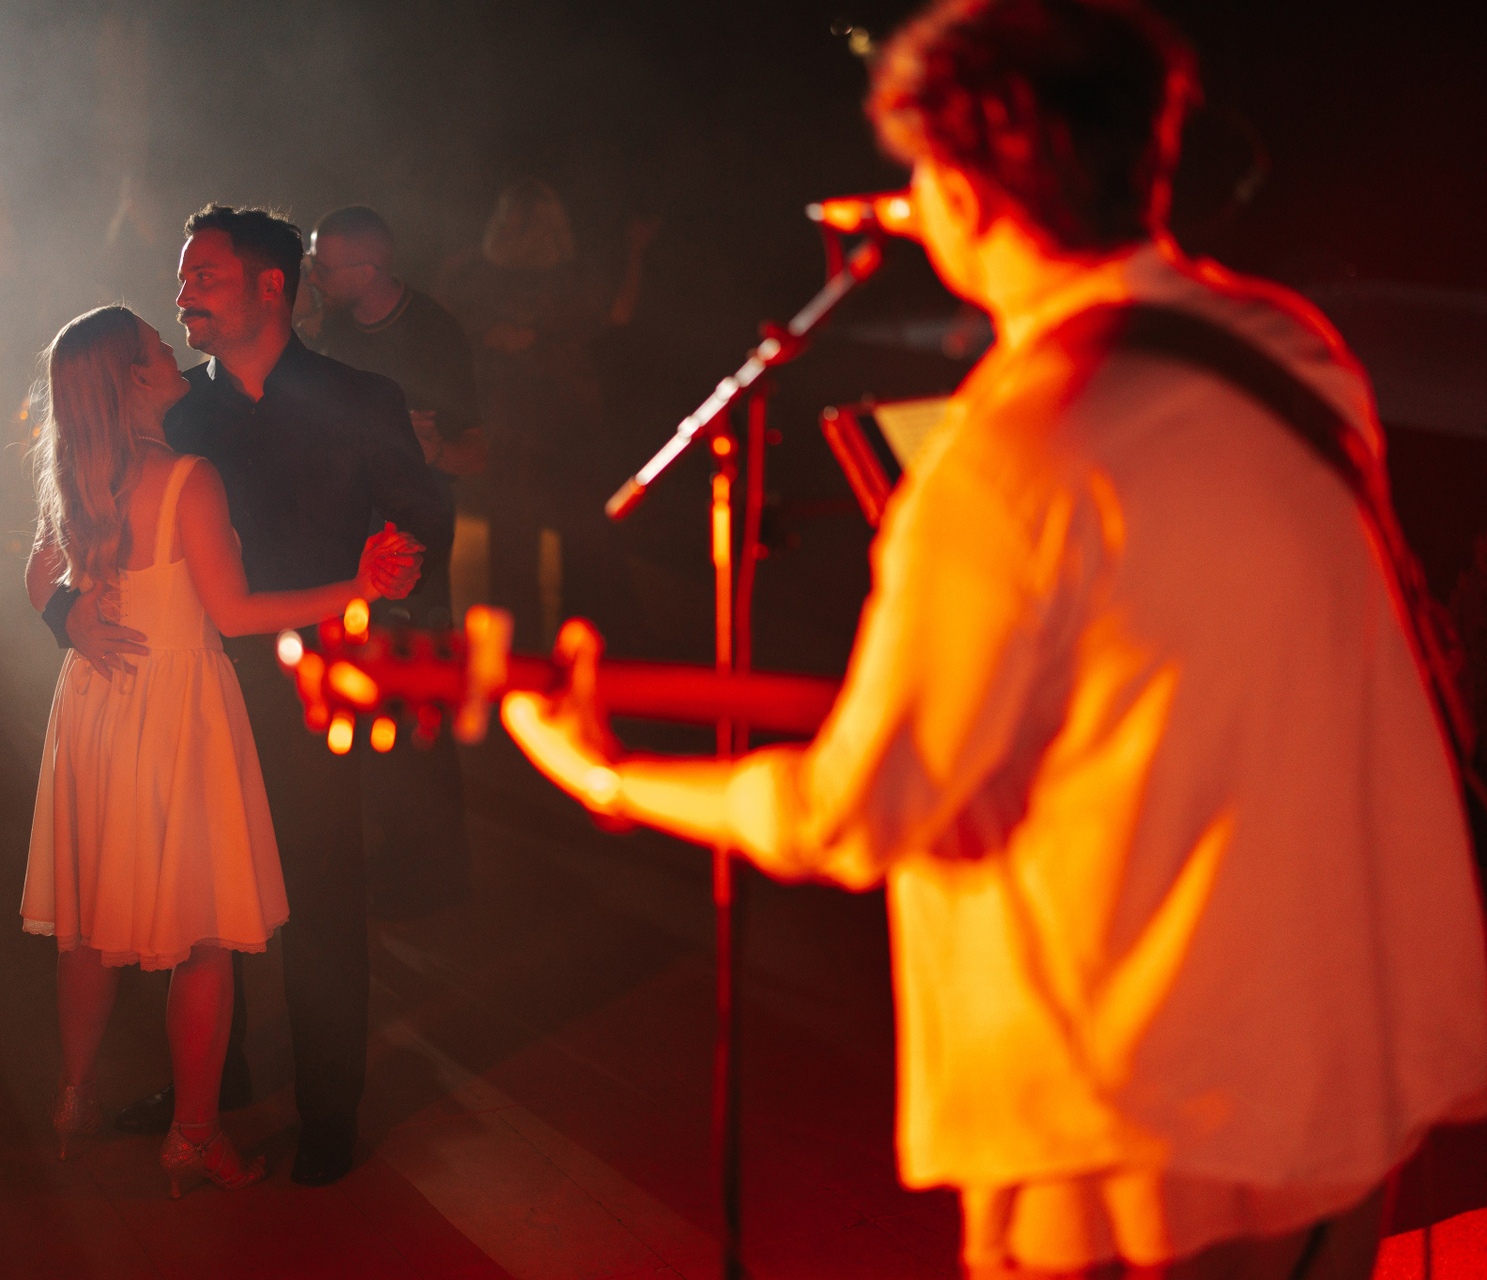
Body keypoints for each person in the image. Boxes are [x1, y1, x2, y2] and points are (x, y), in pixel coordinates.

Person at [501, 1, 1487, 1276]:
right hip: (1342, 1069)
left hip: (1138, 1132)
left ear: (961, 194)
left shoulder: (1004, 456)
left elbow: (853, 813)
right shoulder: (1292, 347)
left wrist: (610, 775)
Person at [41, 206, 455, 1185]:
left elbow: (421, 520)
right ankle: (205, 1096)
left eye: (204, 276)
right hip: (188, 690)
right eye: (182, 278)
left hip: (311, 689)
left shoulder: (361, 397)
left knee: (320, 901)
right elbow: (75, 519)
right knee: (196, 906)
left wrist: (397, 575)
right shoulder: (172, 405)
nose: (182, 293)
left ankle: (329, 1113)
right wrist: (65, 611)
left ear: (272, 285)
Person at [305, 204, 479, 918]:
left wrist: (430, 449)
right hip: (350, 538)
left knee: (418, 699)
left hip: (414, 536)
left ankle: (441, 880)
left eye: (324, 266)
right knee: (364, 699)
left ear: (369, 270)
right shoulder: (335, 329)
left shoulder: (434, 334)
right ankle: (396, 857)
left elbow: (478, 452)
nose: (315, 276)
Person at [436, 180, 658, 650]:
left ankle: (588, 648)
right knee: (513, 542)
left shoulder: (569, 276)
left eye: (519, 219)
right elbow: (447, 311)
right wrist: (487, 331)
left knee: (581, 539)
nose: (507, 225)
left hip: (565, 423)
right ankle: (518, 652)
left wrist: (636, 252)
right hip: (510, 422)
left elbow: (617, 313)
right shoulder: (477, 270)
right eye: (506, 216)